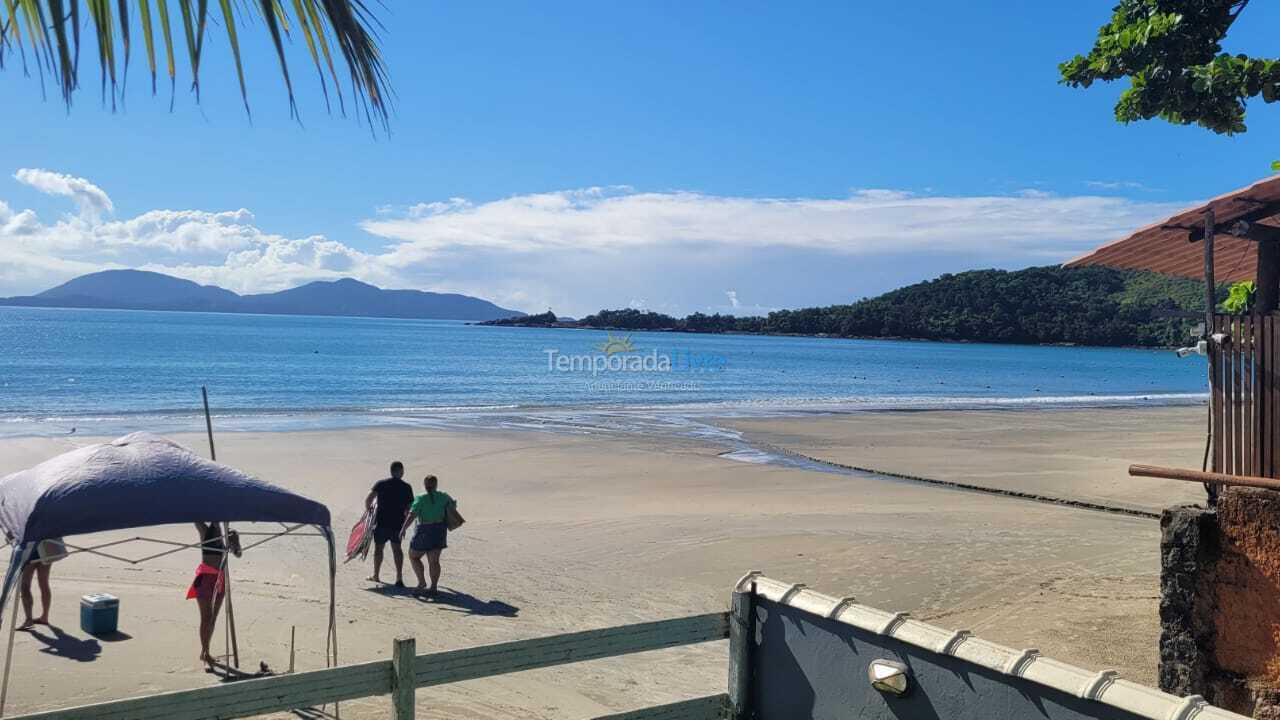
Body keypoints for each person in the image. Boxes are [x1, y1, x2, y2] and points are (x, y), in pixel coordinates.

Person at [188, 521, 241, 667]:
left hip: (220, 580)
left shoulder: (230, 534)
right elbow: (195, 518)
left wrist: (234, 543)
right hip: (205, 578)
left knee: (213, 619)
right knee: (206, 617)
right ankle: (205, 653)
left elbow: (238, 554)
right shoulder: (206, 531)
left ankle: (205, 652)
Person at [399, 474, 456, 597]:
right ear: (436, 485)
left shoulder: (421, 498)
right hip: (440, 529)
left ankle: (422, 582)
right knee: (434, 561)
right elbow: (453, 506)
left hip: (425, 529)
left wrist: (403, 528)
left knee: (414, 556)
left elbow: (412, 515)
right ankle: (434, 587)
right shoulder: (443, 496)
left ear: (425, 485)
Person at [366, 460, 414, 587]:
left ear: (391, 471)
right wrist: (405, 523)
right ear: (401, 471)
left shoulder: (381, 484)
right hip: (397, 524)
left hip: (381, 522)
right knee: (397, 549)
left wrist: (369, 512)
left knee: (378, 549)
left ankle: (376, 575)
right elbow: (410, 508)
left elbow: (369, 498)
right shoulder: (407, 487)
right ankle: (399, 578)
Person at [17, 538, 64, 631]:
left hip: (31, 548)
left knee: (25, 585)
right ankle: (44, 617)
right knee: (44, 583)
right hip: (47, 546)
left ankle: (29, 619)